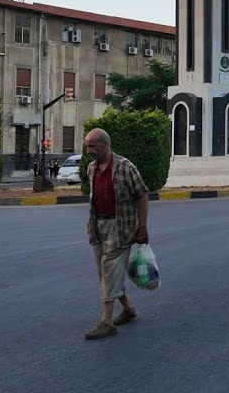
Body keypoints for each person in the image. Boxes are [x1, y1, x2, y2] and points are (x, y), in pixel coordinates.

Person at [83, 128, 149, 340]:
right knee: (104, 274)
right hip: (98, 226)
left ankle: (107, 321)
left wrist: (142, 227)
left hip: (120, 227)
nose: (89, 151)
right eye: (87, 147)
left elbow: (142, 195)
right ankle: (128, 309)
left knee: (109, 270)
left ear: (106, 144)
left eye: (93, 146)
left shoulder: (125, 167)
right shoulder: (91, 168)